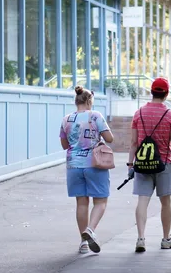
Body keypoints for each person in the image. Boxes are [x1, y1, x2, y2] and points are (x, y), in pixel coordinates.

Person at [128, 77, 171, 253]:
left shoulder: (138, 113)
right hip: (164, 164)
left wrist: (130, 164)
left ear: (151, 92)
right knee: (166, 202)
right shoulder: (170, 116)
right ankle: (166, 239)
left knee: (142, 200)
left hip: (142, 164)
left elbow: (133, 142)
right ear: (167, 93)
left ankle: (140, 238)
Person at [60, 86, 114, 254]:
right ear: (90, 101)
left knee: (81, 203)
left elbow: (64, 145)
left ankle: (83, 244)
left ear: (76, 101)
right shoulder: (96, 116)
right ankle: (89, 230)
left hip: (74, 165)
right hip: (94, 164)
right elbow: (109, 138)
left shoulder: (66, 119)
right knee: (100, 201)